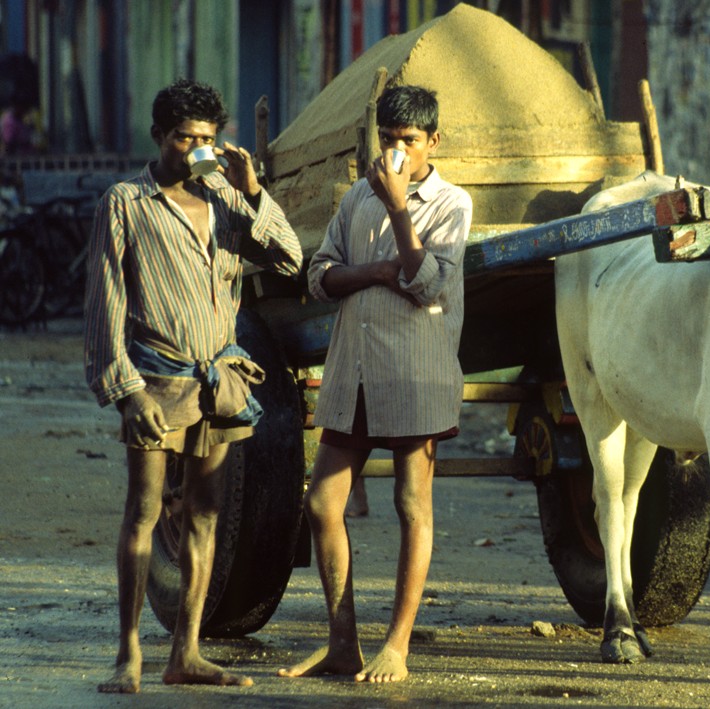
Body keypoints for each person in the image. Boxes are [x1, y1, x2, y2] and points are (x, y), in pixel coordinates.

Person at [84, 78, 302, 693]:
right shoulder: (126, 202)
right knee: (146, 513)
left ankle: (187, 653)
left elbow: (289, 259)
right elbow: (103, 307)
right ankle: (128, 654)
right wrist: (127, 392)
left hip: (220, 383)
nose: (195, 148)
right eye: (185, 137)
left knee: (205, 517)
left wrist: (253, 189)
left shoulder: (227, 201)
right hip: (156, 380)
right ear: (160, 137)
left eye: (206, 138)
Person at [278, 84, 471, 684]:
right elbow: (319, 276)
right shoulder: (355, 197)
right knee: (321, 503)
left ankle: (397, 646)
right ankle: (343, 643)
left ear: (432, 142)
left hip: (414, 372)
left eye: (409, 141)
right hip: (354, 370)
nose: (397, 151)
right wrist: (376, 270)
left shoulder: (451, 204)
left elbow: (426, 284)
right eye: (388, 140)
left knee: (411, 505)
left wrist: (397, 211)